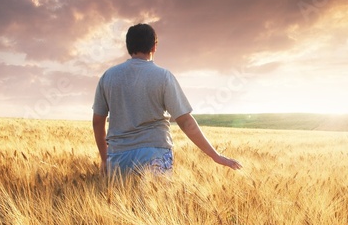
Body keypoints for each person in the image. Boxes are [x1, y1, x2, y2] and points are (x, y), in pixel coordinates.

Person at [92, 23, 242, 176]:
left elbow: (98, 121)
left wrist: (105, 159)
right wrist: (215, 156)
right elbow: (185, 121)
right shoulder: (163, 76)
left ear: (128, 46)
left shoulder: (108, 76)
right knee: (154, 198)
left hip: (118, 157)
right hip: (155, 154)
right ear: (154, 47)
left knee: (121, 199)